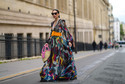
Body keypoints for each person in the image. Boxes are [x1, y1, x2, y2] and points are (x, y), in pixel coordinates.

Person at [40, 9, 77, 82]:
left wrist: (69, 40)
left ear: (58, 14)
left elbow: (66, 31)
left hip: (59, 42)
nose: (54, 15)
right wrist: (47, 42)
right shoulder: (52, 23)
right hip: (53, 43)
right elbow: (51, 34)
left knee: (58, 58)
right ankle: (54, 73)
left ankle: (57, 74)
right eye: (52, 14)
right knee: (52, 58)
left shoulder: (61, 22)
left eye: (55, 13)